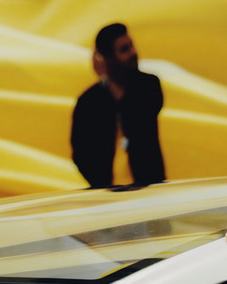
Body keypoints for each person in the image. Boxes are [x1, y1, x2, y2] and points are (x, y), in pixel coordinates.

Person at [70, 23, 166, 189]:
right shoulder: (89, 102)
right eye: (124, 49)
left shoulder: (148, 85)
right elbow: (80, 152)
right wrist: (98, 180)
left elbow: (138, 119)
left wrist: (110, 84)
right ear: (108, 58)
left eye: (131, 46)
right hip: (106, 194)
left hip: (150, 189)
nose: (133, 53)